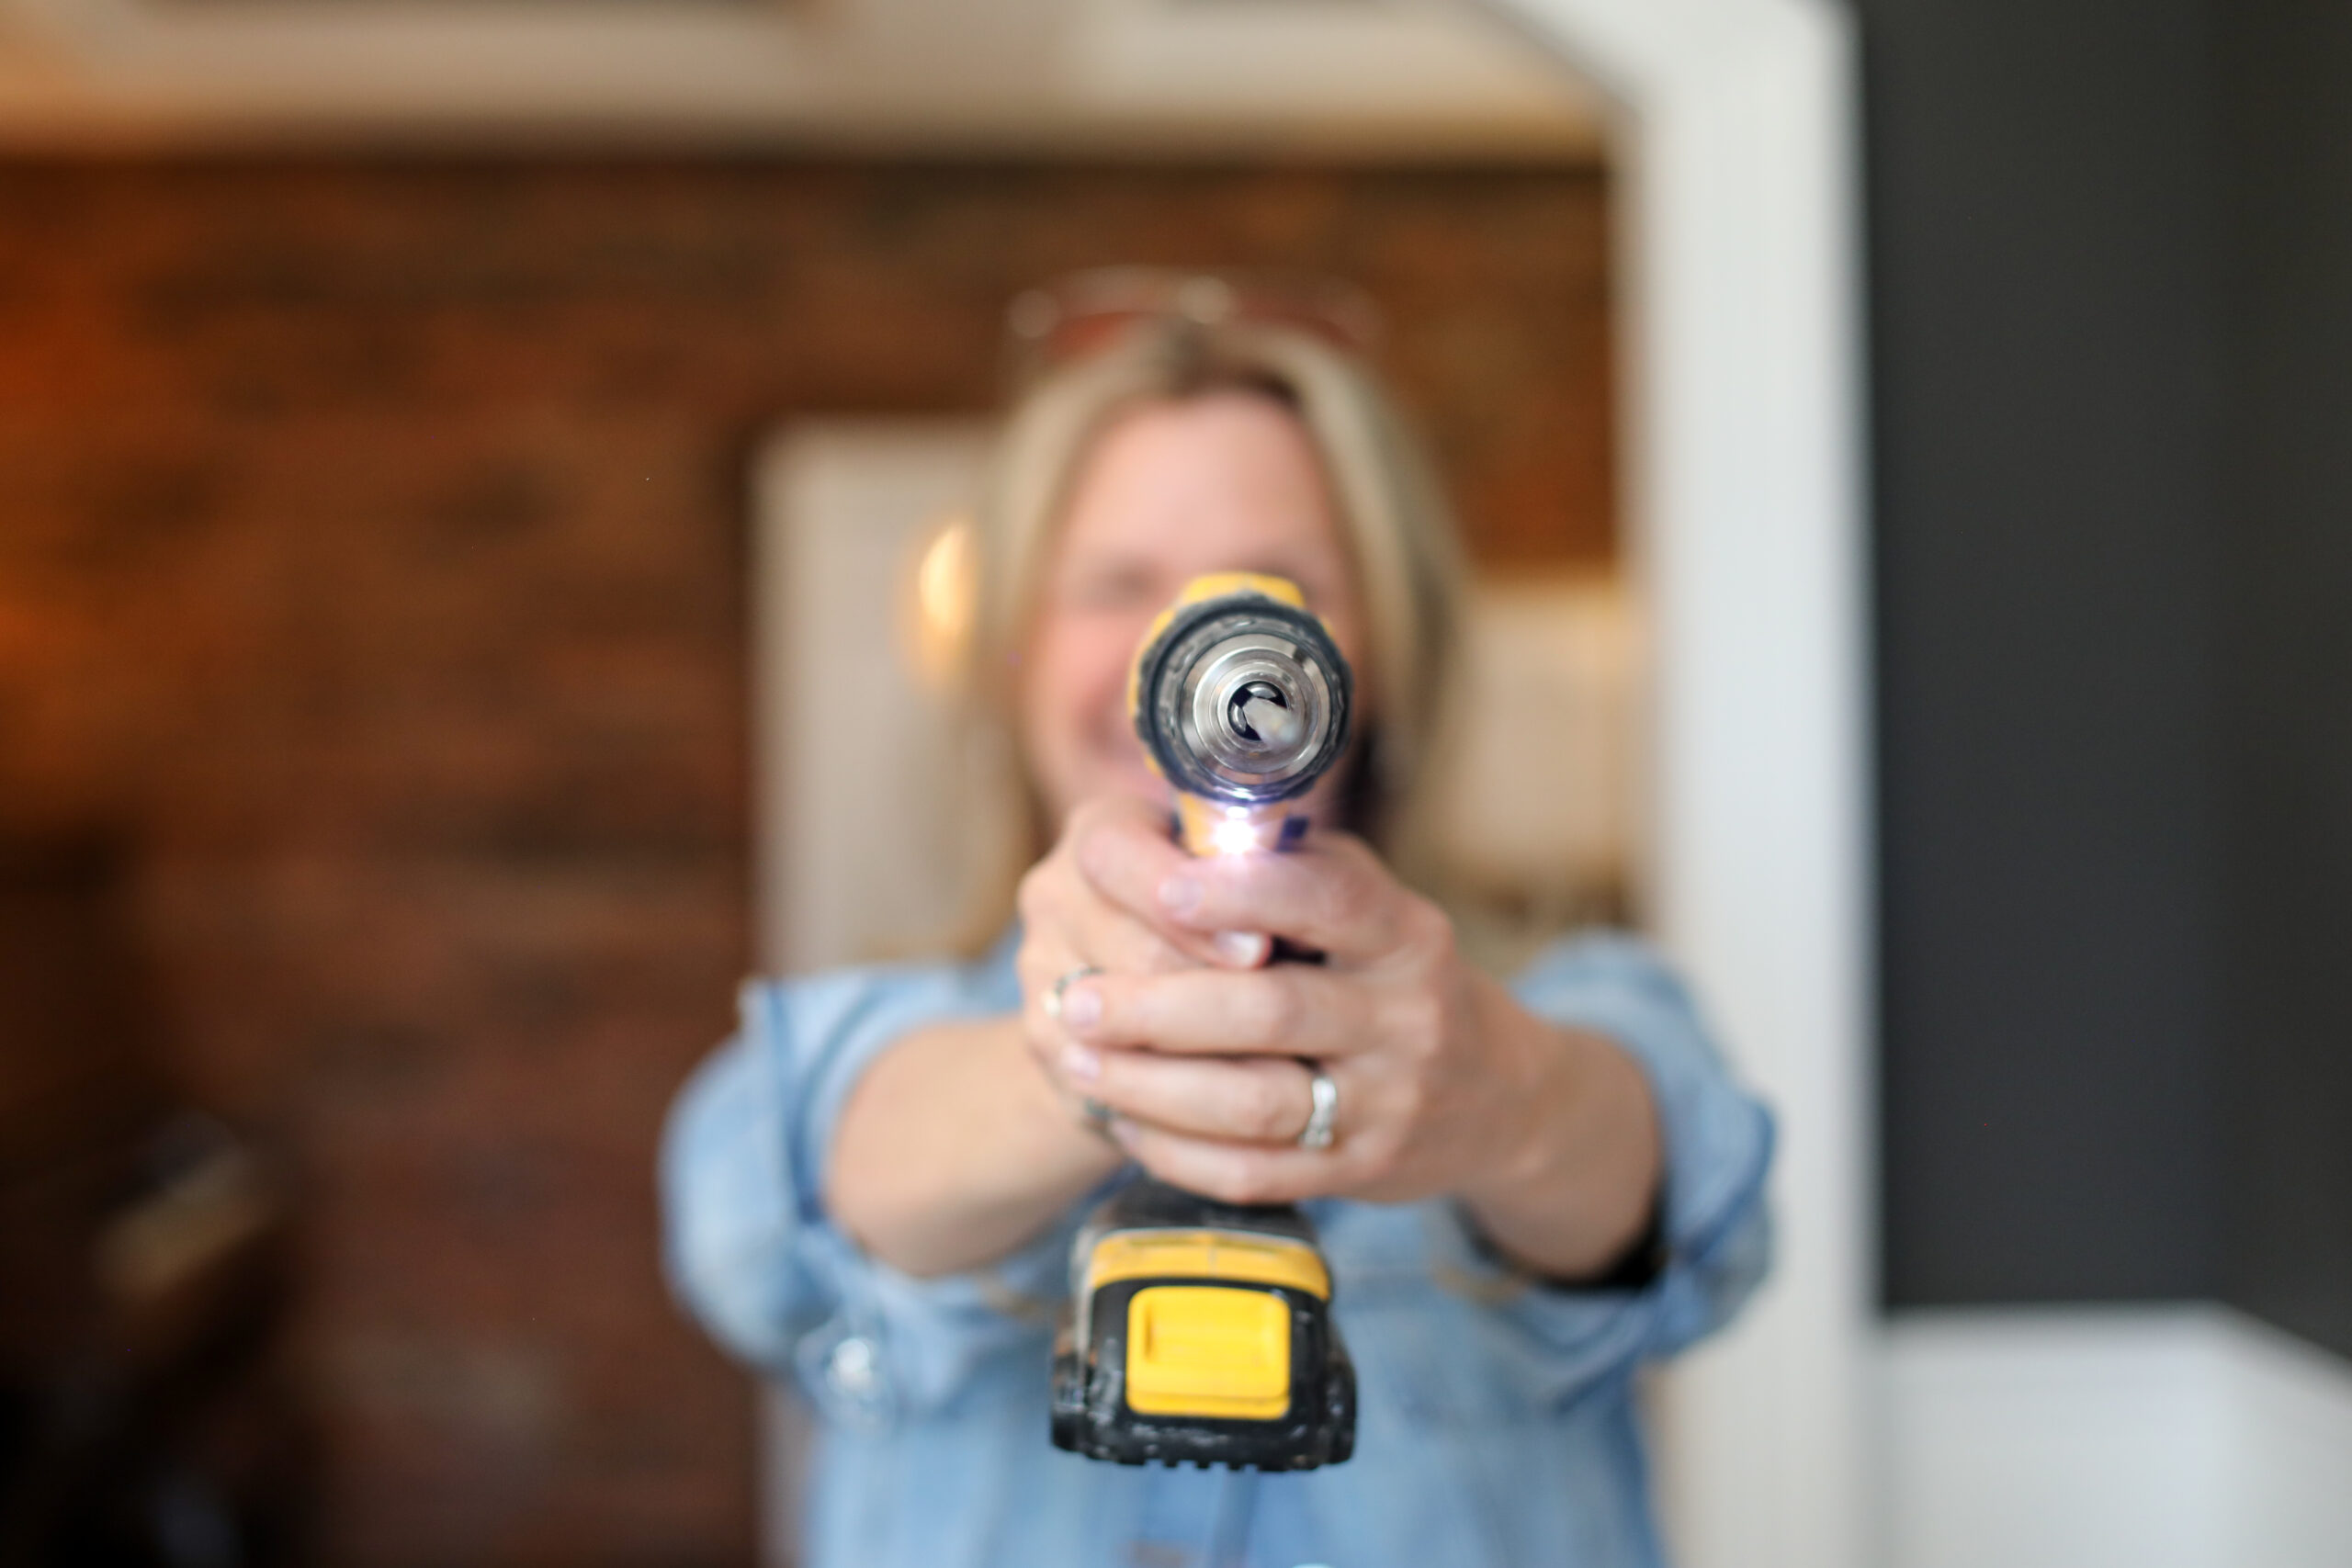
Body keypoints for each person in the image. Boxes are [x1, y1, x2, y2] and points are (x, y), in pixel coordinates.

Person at [661, 271, 1773, 1568]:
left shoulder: (1562, 1011)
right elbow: (750, 1209)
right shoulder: (873, 1048)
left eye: (1277, 582)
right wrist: (1081, 1059)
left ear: (1387, 646)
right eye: (1117, 583)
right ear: (1012, 650)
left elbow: (1691, 1177)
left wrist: (1492, 1090)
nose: (1201, 642)